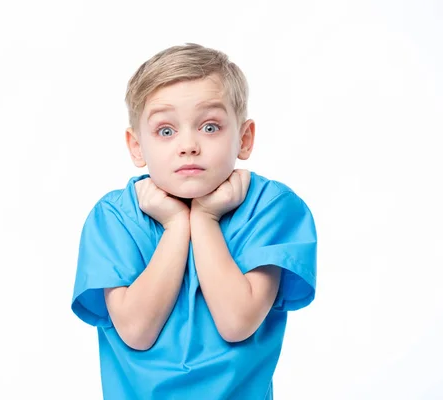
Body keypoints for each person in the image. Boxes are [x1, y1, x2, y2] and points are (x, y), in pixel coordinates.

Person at [70, 43, 317, 399]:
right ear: (136, 146)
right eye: (166, 131)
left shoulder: (271, 209)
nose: (188, 145)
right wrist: (175, 226)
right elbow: (137, 330)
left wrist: (204, 217)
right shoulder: (114, 218)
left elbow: (237, 323)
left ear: (244, 139)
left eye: (210, 126)